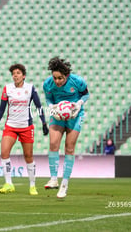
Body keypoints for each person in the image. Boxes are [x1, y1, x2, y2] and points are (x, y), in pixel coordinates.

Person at [0, 64, 49, 195]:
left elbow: (38, 106)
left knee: (28, 156)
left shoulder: (30, 88)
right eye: (13, 73)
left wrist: (44, 123)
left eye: (18, 73)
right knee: (4, 153)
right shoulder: (7, 88)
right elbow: (1, 109)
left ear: (23, 76)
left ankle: (32, 186)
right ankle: (8, 184)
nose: (15, 75)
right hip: (10, 126)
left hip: (26, 127)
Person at [43, 56, 89, 198]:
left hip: (75, 115)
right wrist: (51, 106)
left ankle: (65, 183)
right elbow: (48, 98)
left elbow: (86, 94)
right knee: (53, 143)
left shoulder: (78, 81)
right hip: (58, 114)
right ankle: (53, 179)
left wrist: (79, 103)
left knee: (69, 147)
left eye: (60, 78)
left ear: (66, 75)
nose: (57, 81)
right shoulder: (48, 84)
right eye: (55, 78)